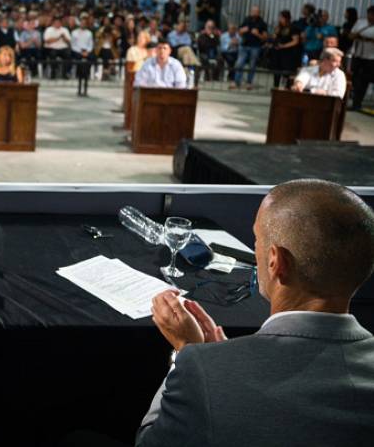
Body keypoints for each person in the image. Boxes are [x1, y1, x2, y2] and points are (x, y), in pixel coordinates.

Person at [138, 179, 374, 447]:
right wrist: (222, 360)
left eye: (257, 240)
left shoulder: (203, 368)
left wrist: (188, 355)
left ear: (276, 261)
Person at [232, 5, 268, 90]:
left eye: (256, 11)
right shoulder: (246, 20)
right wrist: (242, 30)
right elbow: (239, 31)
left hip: (255, 46)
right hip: (244, 45)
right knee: (239, 63)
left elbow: (265, 37)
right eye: (253, 11)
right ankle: (236, 82)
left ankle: (249, 82)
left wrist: (258, 34)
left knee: (252, 65)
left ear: (259, 13)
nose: (254, 13)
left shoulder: (262, 23)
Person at [348, 5, 374, 110]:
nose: (370, 16)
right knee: (354, 78)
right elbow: (351, 35)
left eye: (372, 15)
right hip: (358, 54)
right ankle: (354, 99)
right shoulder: (361, 23)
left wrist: (368, 39)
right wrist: (358, 36)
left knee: (365, 80)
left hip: (371, 58)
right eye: (369, 14)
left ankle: (357, 104)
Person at [270, 10, 302, 88]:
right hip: (278, 53)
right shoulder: (279, 27)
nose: (280, 19)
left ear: (286, 18)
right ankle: (276, 86)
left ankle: (287, 88)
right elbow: (274, 37)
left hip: (288, 54)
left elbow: (295, 41)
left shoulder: (293, 28)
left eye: (281, 17)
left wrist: (284, 46)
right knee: (276, 71)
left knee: (287, 72)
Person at [70, 15, 94, 82]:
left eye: (84, 23)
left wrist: (87, 52)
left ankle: (86, 74)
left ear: (86, 24)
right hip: (76, 50)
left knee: (91, 57)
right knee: (78, 57)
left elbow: (91, 45)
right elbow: (72, 45)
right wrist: (80, 52)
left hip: (86, 50)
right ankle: (79, 74)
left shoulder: (89, 33)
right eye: (82, 23)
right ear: (79, 23)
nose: (83, 24)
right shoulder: (74, 32)